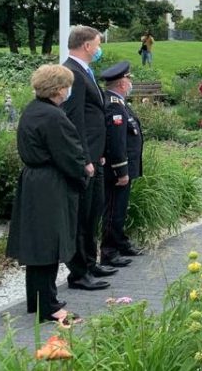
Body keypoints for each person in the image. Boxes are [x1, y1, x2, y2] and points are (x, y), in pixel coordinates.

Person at [7, 64, 88, 326]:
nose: (68, 91)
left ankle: (37, 300)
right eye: (66, 86)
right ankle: (49, 307)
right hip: (50, 184)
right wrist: (83, 171)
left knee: (37, 243)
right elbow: (68, 154)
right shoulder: (54, 116)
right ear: (58, 89)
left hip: (33, 181)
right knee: (49, 244)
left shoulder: (33, 110)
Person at [61, 26, 113, 291]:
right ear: (86, 45)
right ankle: (79, 272)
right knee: (82, 216)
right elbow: (75, 119)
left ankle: (91, 263)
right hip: (86, 158)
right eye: (97, 43)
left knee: (94, 212)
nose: (99, 47)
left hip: (96, 155)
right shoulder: (73, 73)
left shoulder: (85, 72)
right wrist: (84, 157)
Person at [100, 62, 145, 267]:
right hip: (117, 169)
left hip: (125, 167)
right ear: (121, 83)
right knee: (113, 209)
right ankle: (109, 250)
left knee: (120, 208)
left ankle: (120, 242)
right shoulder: (113, 105)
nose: (130, 82)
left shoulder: (119, 102)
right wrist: (121, 171)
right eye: (128, 79)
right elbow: (116, 142)